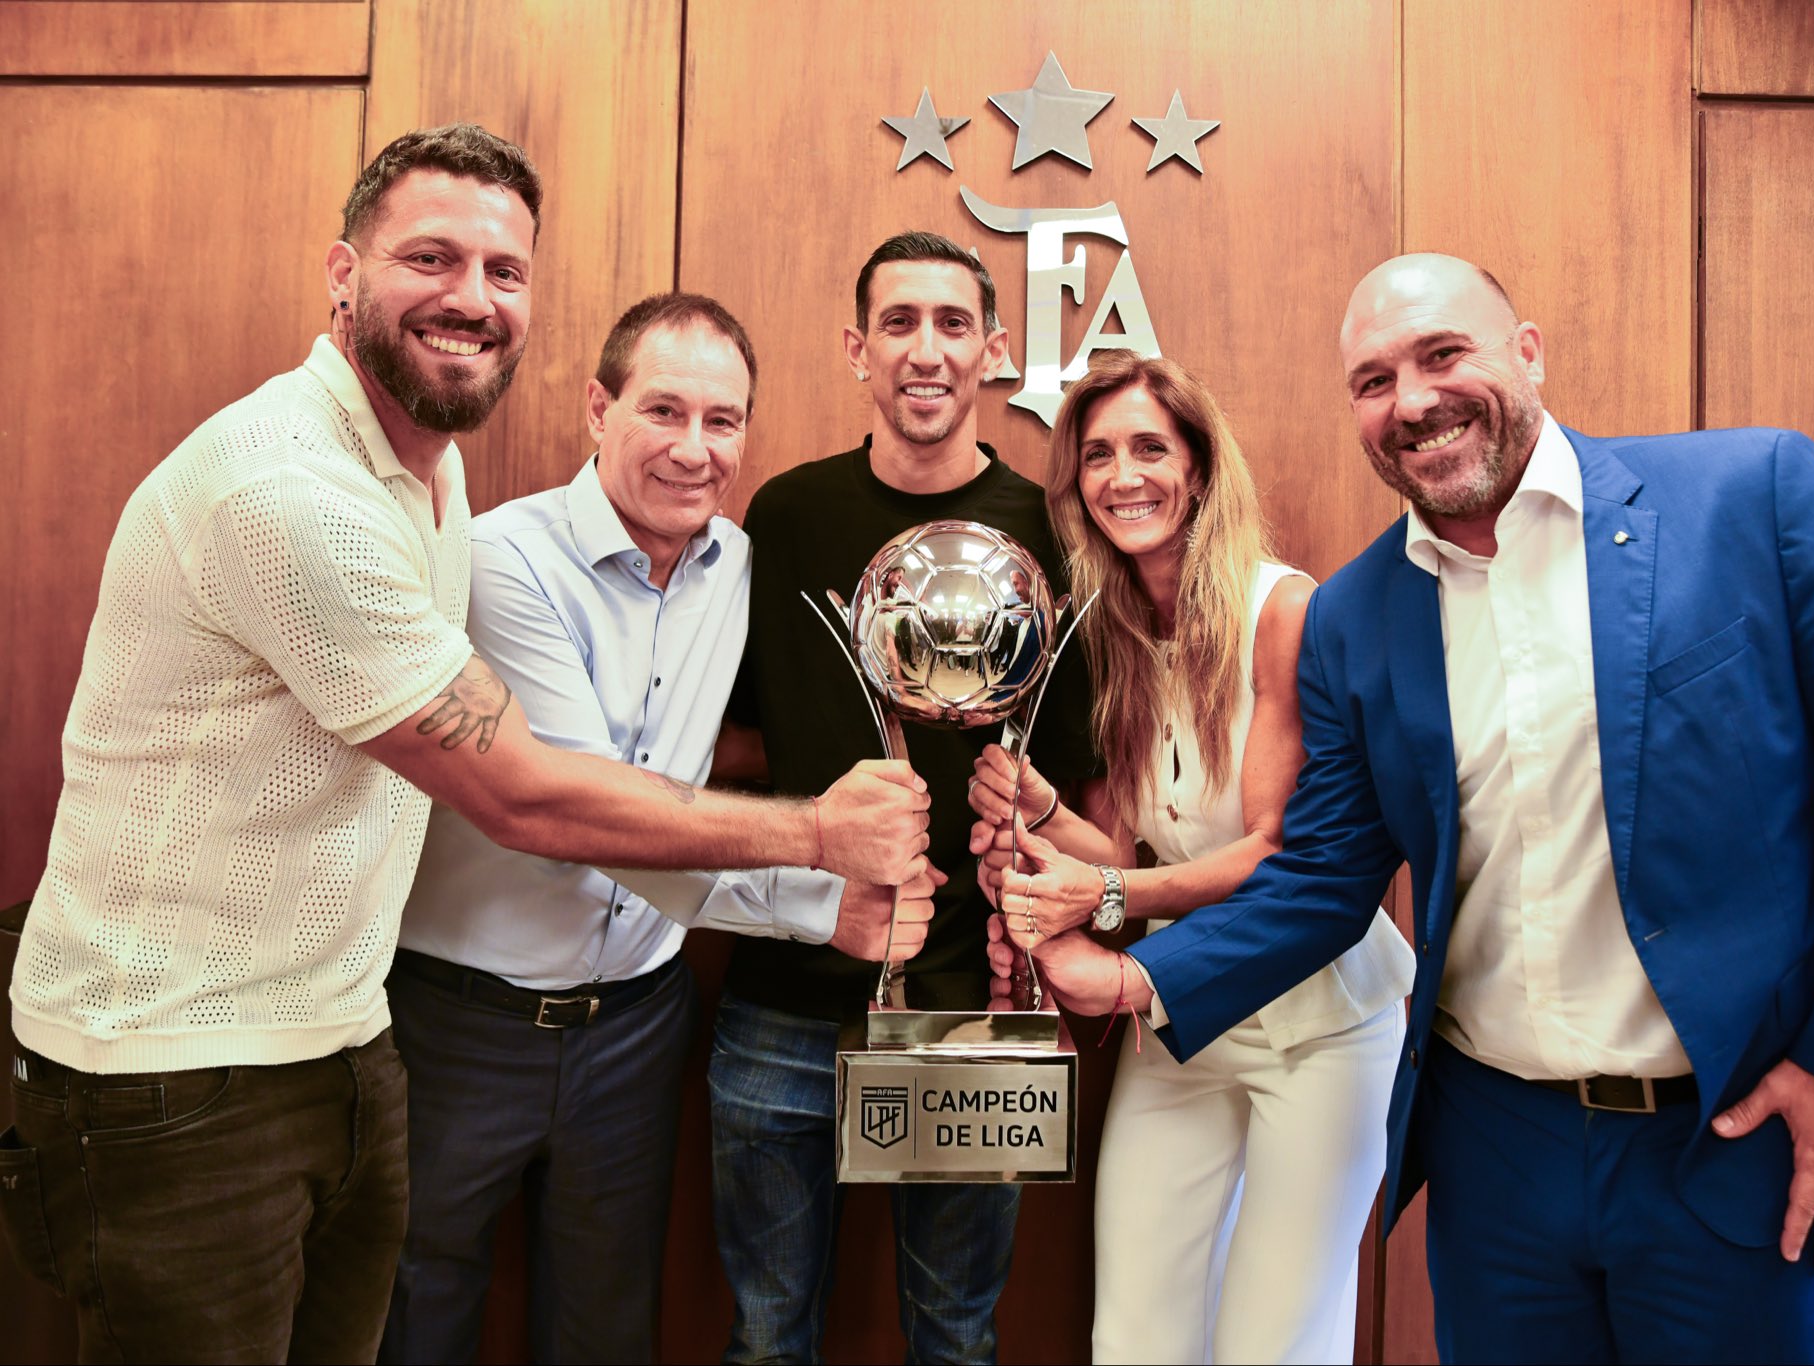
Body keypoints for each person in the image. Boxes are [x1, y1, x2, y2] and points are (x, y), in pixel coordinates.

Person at [1, 126, 926, 1365]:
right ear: (342, 271)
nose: (471, 299)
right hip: (184, 1064)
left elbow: (683, 749)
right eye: (430, 258)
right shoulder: (298, 495)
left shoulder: (424, 479)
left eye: (504, 272)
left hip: (343, 1034)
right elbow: (536, 798)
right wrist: (821, 853)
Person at [997, 254, 1814, 1363]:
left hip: (1731, 1135)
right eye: (1372, 381)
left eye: (1441, 353)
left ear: (1526, 350)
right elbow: (1325, 876)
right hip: (1495, 1154)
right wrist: (1132, 975)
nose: (1411, 400)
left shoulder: (1751, 496)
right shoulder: (1360, 613)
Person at [377, 292, 942, 1365]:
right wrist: (825, 890)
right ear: (599, 407)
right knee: (421, 1307)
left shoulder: (741, 566)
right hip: (462, 1023)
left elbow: (735, 742)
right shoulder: (503, 562)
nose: (694, 449)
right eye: (663, 411)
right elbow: (586, 810)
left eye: (721, 421)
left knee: (606, 1326)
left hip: (638, 1023)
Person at [964, 350, 1414, 1364]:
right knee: (1132, 1334)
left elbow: (1276, 852)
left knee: (1273, 1343)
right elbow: (1117, 849)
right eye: (1095, 456)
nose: (1122, 474)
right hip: (1176, 1021)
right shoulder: (1110, 634)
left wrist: (1106, 894)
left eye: (1148, 448)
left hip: (1319, 1026)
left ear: (1199, 469)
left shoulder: (1280, 610)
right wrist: (1034, 809)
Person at [706, 231, 1096, 1365]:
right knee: (768, 1337)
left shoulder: (1050, 529)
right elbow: (734, 733)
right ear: (855, 349)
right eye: (897, 323)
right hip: (782, 998)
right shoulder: (781, 516)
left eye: (952, 323)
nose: (925, 350)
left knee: (955, 1339)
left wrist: (1024, 815)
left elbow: (1070, 766)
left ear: (993, 349)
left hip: (967, 1001)